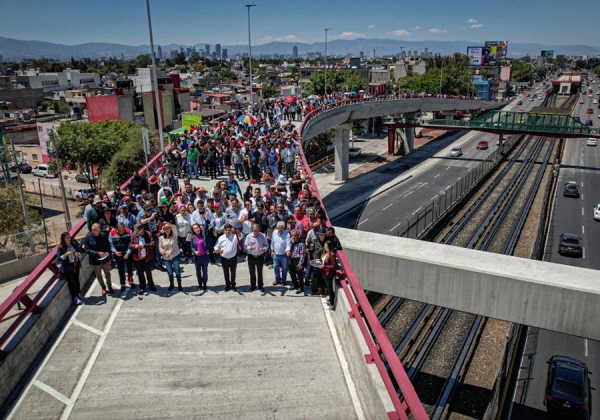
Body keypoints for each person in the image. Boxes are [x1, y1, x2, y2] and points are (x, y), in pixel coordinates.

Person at [81, 223, 114, 295]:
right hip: (95, 260)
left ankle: (110, 286)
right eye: (96, 230)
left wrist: (107, 252)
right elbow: (87, 249)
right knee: (99, 275)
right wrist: (97, 253)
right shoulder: (87, 238)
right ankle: (103, 288)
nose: (97, 231)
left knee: (107, 273)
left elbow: (108, 245)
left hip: (104, 259)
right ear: (92, 230)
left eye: (98, 229)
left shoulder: (103, 235)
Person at [129, 223, 157, 297]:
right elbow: (129, 245)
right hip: (138, 258)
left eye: (137, 230)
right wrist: (135, 246)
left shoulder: (148, 234)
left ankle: (151, 285)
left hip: (147, 257)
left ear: (142, 229)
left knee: (148, 273)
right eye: (135, 230)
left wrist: (144, 246)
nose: (136, 232)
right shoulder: (133, 235)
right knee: (140, 273)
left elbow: (153, 244)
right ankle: (142, 287)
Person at [57, 232, 85, 305]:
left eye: (69, 237)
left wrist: (77, 254)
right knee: (71, 282)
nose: (68, 239)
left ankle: (79, 294)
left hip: (75, 264)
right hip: (68, 267)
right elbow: (59, 258)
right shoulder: (61, 247)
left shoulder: (74, 244)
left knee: (76, 280)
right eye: (67, 238)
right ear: (63, 239)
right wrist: (66, 254)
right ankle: (74, 296)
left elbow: (79, 253)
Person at [109, 223, 134, 291]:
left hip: (127, 252)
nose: (122, 231)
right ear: (117, 229)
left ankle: (130, 279)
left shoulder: (129, 231)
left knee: (129, 267)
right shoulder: (112, 233)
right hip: (118, 253)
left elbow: (131, 242)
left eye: (123, 230)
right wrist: (115, 251)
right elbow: (110, 244)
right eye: (120, 230)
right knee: (121, 269)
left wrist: (128, 253)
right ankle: (122, 283)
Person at [213, 224, 238, 292]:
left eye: (229, 230)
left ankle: (233, 285)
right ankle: (227, 285)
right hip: (224, 258)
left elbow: (240, 236)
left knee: (233, 273)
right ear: (224, 230)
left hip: (233, 258)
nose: (227, 232)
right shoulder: (221, 238)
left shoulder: (235, 237)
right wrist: (217, 250)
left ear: (231, 230)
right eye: (226, 230)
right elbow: (216, 246)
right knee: (226, 272)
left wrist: (235, 230)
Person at [244, 223, 268, 292]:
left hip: (260, 256)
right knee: (252, 272)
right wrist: (249, 248)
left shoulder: (262, 236)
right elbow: (245, 246)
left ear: (259, 230)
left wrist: (264, 249)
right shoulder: (249, 236)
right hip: (251, 256)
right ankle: (253, 286)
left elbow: (266, 245)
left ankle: (260, 286)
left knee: (260, 272)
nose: (255, 232)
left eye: (257, 231)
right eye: (254, 231)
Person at [159, 222, 182, 292]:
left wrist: (169, 224)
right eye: (165, 229)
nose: (167, 230)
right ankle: (171, 284)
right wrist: (163, 252)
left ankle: (179, 285)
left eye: (168, 228)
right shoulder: (161, 238)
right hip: (166, 257)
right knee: (170, 272)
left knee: (177, 271)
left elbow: (174, 228)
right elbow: (160, 247)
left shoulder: (174, 236)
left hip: (175, 255)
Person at [270, 221, 291, 286]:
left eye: (281, 228)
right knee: (276, 267)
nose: (279, 229)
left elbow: (288, 244)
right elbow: (272, 242)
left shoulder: (287, 234)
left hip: (283, 254)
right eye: (278, 228)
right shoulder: (274, 232)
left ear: (283, 228)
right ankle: (277, 279)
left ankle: (284, 280)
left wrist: (287, 251)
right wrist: (272, 251)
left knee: (284, 268)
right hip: (276, 254)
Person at [191, 223, 209, 290]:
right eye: (194, 228)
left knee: (205, 272)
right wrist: (194, 251)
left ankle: (204, 284)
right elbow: (192, 247)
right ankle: (200, 285)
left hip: (204, 257)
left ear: (199, 228)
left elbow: (206, 228)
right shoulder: (193, 237)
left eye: (197, 228)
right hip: (197, 258)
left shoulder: (204, 235)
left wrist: (206, 220)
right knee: (198, 272)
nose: (196, 229)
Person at [288, 229, 306, 294]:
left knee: (299, 275)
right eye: (292, 235)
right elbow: (287, 248)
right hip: (291, 259)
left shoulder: (301, 243)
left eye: (295, 235)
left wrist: (300, 263)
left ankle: (301, 288)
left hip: (298, 260)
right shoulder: (290, 241)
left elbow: (303, 254)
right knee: (292, 273)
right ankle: (295, 285)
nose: (293, 237)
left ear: (298, 235)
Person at [321, 241, 338, 308]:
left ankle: (332, 303)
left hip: (329, 274)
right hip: (325, 273)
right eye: (325, 246)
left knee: (330, 289)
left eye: (327, 247)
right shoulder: (325, 253)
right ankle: (330, 300)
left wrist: (324, 266)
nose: (325, 248)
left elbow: (333, 266)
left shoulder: (332, 254)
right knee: (328, 288)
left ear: (330, 247)